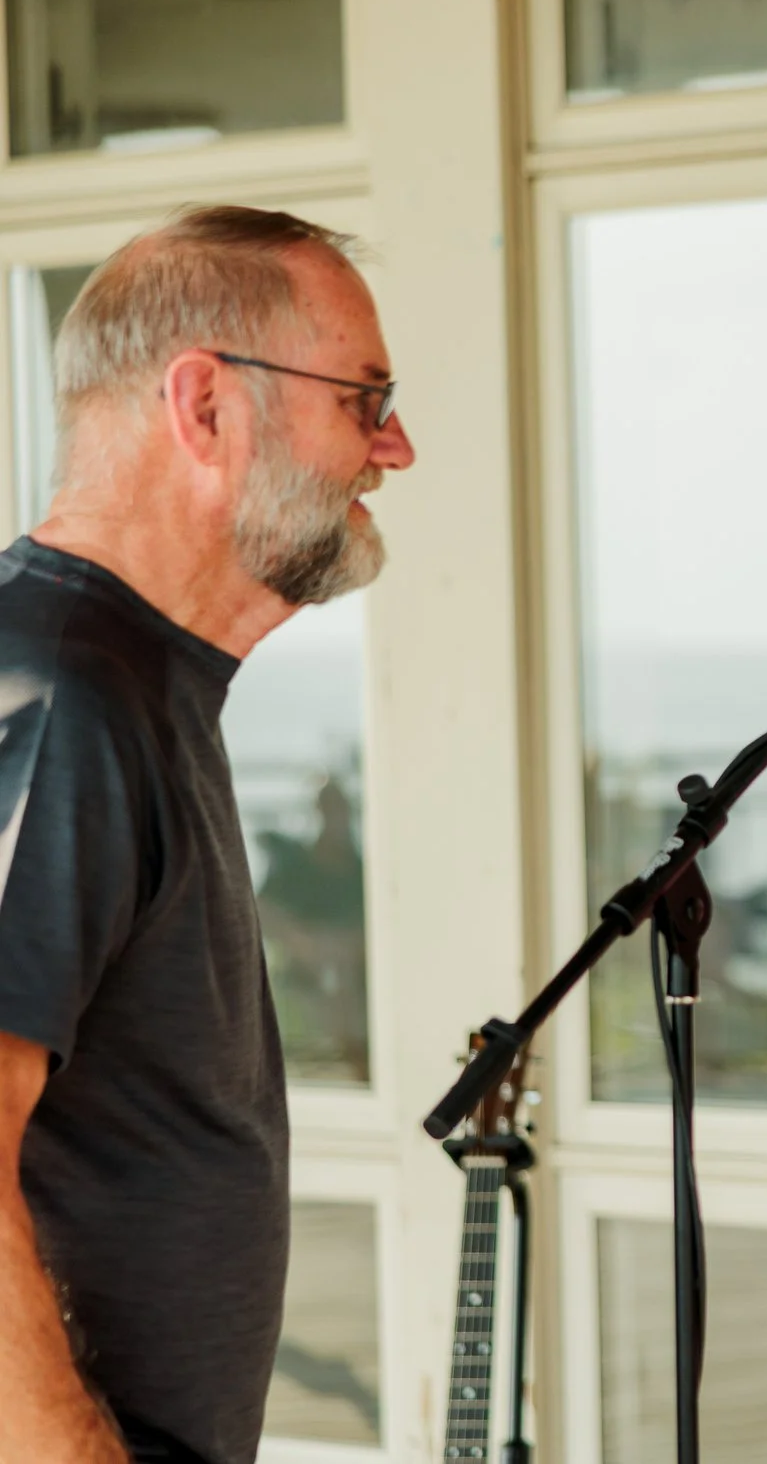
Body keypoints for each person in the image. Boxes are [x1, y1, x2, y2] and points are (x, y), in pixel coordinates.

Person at [0, 207, 417, 1464]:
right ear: (207, 408)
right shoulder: (62, 695)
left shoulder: (132, 682)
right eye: (365, 397)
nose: (394, 445)